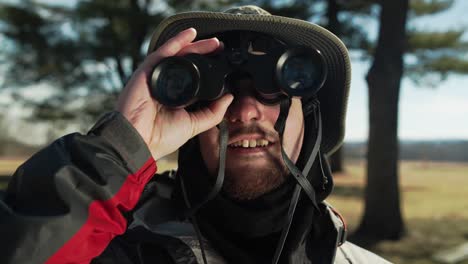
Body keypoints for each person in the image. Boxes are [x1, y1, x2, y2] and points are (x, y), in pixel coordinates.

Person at [0, 5, 391, 264]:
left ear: (311, 114)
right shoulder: (113, 251)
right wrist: (116, 151)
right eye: (219, 90)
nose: (243, 109)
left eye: (274, 88)